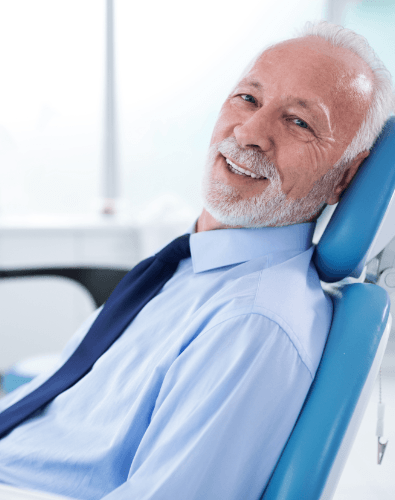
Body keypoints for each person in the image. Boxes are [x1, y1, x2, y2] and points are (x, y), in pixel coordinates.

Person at [0, 21, 393, 500]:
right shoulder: (191, 265)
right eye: (248, 99)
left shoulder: (254, 322)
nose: (249, 132)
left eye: (299, 122)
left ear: (344, 179)